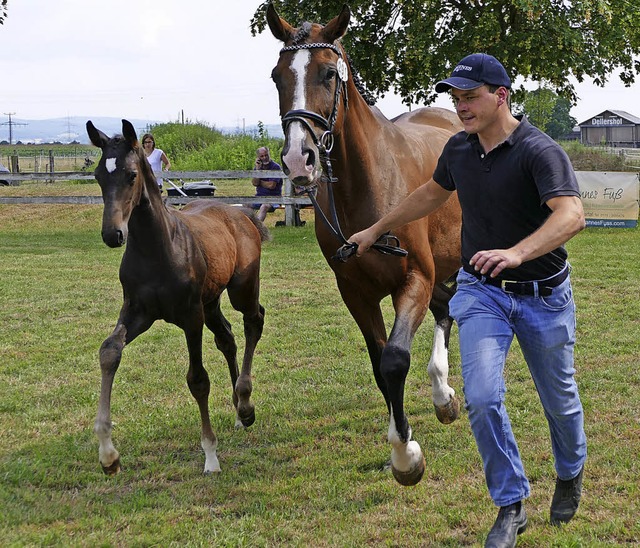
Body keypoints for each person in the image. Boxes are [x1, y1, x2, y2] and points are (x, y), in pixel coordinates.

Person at [348, 53, 587, 548]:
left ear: (501, 96)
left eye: (470, 96)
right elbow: (430, 195)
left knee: (559, 403)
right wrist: (375, 230)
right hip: (482, 294)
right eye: (455, 98)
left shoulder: (538, 151)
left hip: (544, 296)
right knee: (479, 397)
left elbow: (571, 216)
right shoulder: (459, 150)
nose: (460, 106)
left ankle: (570, 471)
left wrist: (518, 253)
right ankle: (510, 503)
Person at [251, 146, 282, 221]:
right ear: (258, 157)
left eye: (266, 155)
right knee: (246, 205)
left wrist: (259, 182)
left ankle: (258, 227)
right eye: (262, 156)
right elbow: (255, 183)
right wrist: (258, 170)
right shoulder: (258, 167)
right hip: (259, 197)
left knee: (264, 206)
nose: (264, 157)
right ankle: (249, 226)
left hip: (274, 198)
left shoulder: (275, 167)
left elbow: (271, 185)